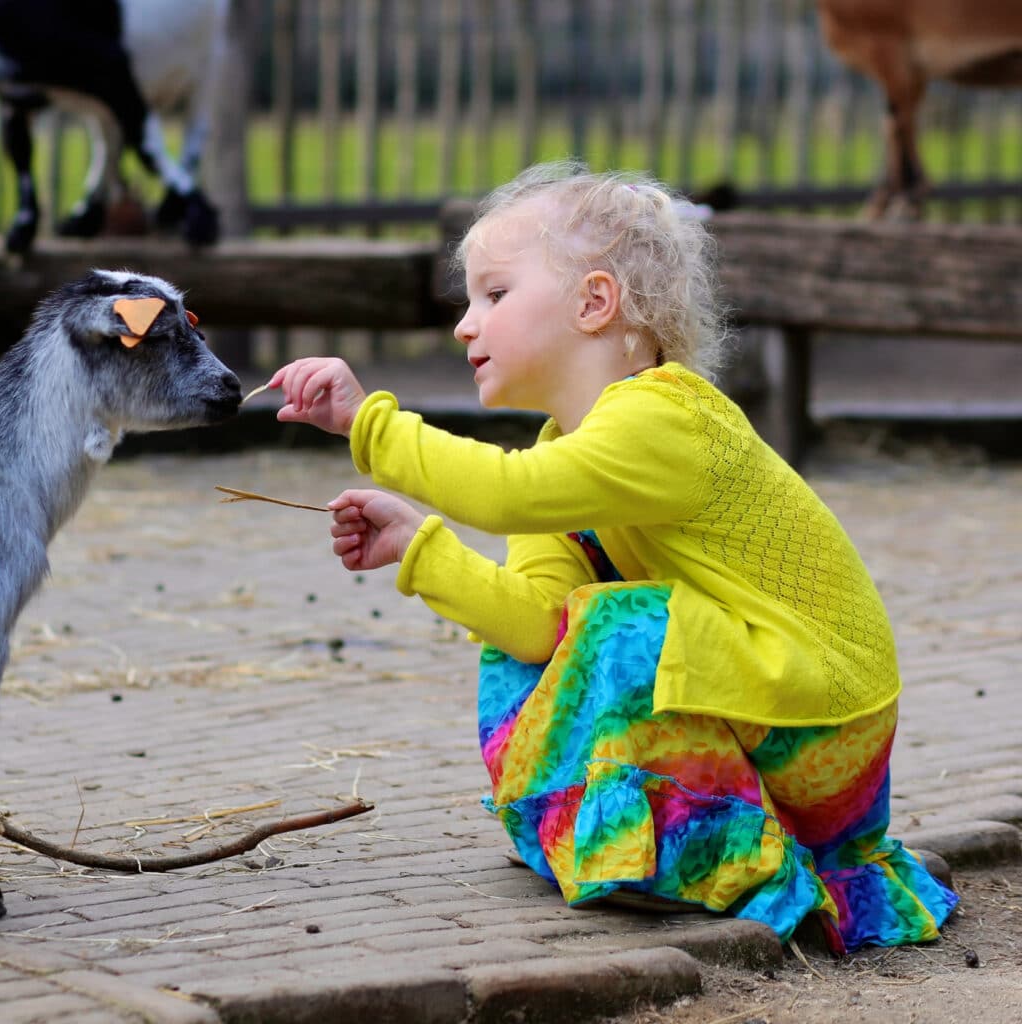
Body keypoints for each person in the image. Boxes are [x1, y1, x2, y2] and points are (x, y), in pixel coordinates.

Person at [266, 161, 956, 954]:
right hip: (764, 715)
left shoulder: (664, 417)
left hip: (830, 726)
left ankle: (699, 854)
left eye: (493, 295)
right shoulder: (564, 457)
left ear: (595, 303)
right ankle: (632, 847)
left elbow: (502, 493)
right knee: (538, 653)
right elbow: (534, 627)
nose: (464, 325)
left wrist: (369, 425)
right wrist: (418, 548)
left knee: (622, 624)